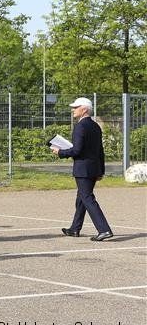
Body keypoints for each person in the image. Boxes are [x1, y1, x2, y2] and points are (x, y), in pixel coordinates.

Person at [52, 97, 113, 241]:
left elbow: (76, 150)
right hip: (93, 169)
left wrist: (60, 152)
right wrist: (101, 170)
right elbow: (100, 151)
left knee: (87, 198)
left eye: (76, 107)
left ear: (84, 109)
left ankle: (104, 229)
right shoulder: (95, 126)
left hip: (83, 169)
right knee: (81, 198)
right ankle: (75, 228)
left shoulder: (80, 126)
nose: (73, 110)